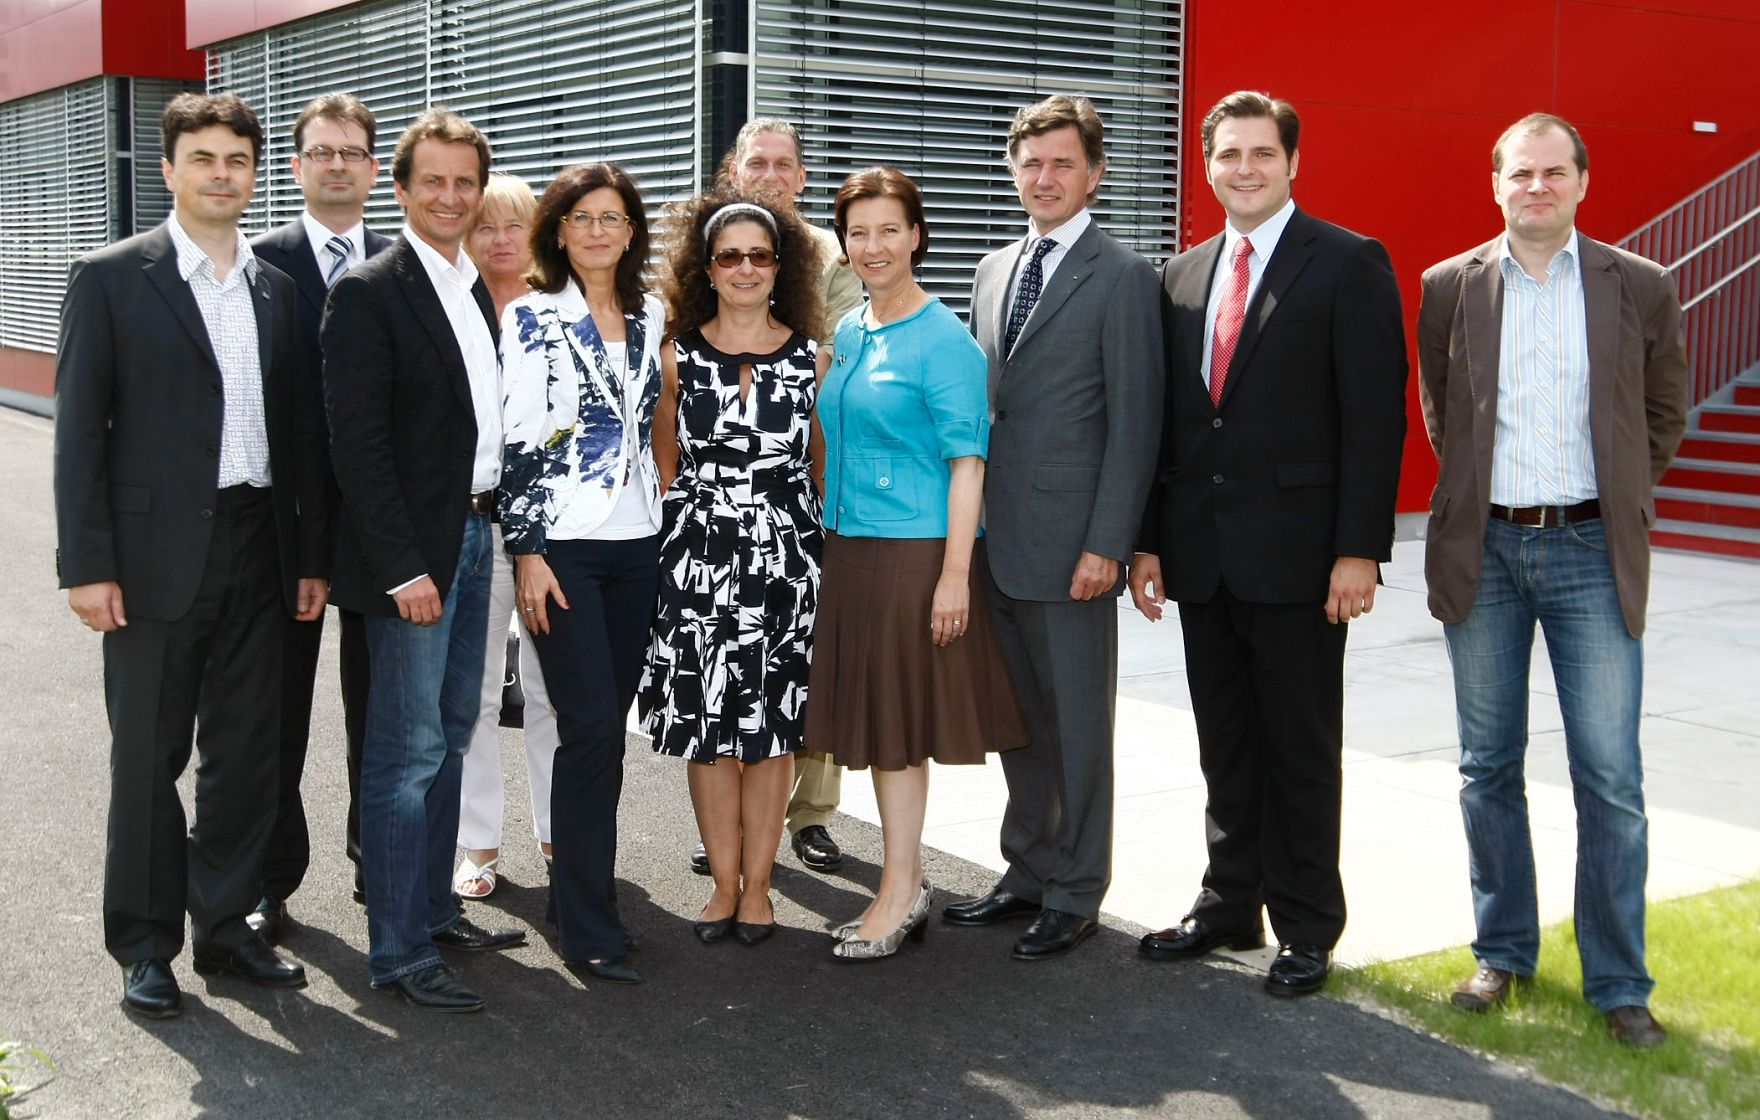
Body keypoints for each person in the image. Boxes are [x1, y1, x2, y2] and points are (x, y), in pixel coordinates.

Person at [1417, 112, 1687, 1048]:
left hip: (1590, 552)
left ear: (1582, 181)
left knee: (1609, 775)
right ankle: (1503, 953)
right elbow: (1444, 412)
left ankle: (1619, 983)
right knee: (1486, 766)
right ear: (1495, 183)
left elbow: (1663, 411)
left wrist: (1619, 494)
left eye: (1553, 172)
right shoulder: (1449, 285)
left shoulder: (1639, 284)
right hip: (1484, 553)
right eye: (1520, 173)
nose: (1536, 187)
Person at [53, 91, 325, 1018]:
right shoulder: (111, 278)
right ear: (169, 169)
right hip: (151, 559)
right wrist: (87, 565)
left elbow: (300, 437)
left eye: (237, 160)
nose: (221, 174)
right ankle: (143, 945)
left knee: (246, 754)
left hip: (260, 545)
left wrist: (309, 555)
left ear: (255, 174)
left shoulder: (275, 290)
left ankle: (226, 927)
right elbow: (79, 436)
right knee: (148, 757)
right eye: (203, 158)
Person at [1130, 91, 1408, 997]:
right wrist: (1149, 542)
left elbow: (1376, 419)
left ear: (1293, 162)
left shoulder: (1349, 262)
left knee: (1299, 747)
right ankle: (1228, 904)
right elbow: (1171, 424)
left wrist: (1358, 550)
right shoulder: (1181, 276)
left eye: (1261, 153)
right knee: (1225, 742)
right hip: (1202, 556)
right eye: (1228, 154)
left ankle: (1307, 924)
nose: (1243, 168)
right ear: (1207, 166)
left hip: (1301, 559)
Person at [943, 94, 1162, 962]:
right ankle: (1028, 870)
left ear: (1094, 173)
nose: (1045, 178)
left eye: (1063, 163)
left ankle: (1077, 891)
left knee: (1077, 728)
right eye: (1031, 163)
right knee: (1019, 721)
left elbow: (1136, 424)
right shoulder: (993, 268)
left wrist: (1108, 543)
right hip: (995, 540)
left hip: (1074, 546)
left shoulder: (1124, 276)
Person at [323, 109, 525, 1015]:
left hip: (477, 536)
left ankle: (434, 911)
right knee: (404, 755)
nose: (450, 196)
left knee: (449, 735)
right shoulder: (370, 291)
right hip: (416, 560)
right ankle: (399, 951)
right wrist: (404, 568)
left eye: (464, 182)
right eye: (433, 181)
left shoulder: (471, 284)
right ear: (400, 189)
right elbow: (357, 446)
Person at [810, 166, 1028, 961]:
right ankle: (903, 883)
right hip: (850, 549)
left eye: (889, 230)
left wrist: (953, 577)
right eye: (858, 232)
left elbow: (968, 464)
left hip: (912, 555)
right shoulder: (851, 330)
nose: (873, 246)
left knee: (897, 731)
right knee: (876, 727)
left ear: (917, 236)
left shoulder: (945, 342)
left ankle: (900, 892)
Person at [638, 193, 826, 947]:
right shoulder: (674, 359)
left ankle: (759, 889)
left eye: (760, 256)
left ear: (780, 268)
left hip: (786, 564)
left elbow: (818, 468)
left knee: (774, 731)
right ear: (707, 269)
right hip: (698, 563)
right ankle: (722, 886)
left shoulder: (815, 360)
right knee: (709, 728)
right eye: (729, 256)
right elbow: (665, 464)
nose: (745, 269)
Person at [679, 117, 864, 878]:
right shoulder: (703, 267)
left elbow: (842, 353)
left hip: (791, 507)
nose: (771, 175)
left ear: (802, 176)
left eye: (785, 164)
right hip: (712, 528)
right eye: (758, 162)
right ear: (735, 170)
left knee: (796, 691)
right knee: (719, 690)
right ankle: (729, 836)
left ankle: (809, 818)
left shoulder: (831, 255)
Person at [500, 163, 664, 986]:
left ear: (632, 232)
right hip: (563, 546)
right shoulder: (531, 315)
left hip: (640, 541)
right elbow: (519, 438)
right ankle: (589, 929)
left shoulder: (650, 313)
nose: (598, 231)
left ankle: (580, 898)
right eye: (582, 217)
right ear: (558, 231)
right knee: (590, 725)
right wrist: (526, 552)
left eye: (613, 217)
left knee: (605, 730)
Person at [248, 92, 393, 939]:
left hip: (379, 527)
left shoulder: (405, 263)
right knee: (278, 713)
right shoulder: (257, 263)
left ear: (374, 169)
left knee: (382, 713)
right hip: (287, 522)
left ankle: (381, 869)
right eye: (321, 152)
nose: (337, 165)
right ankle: (272, 881)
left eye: (352, 152)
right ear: (297, 167)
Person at [453, 172, 561, 900]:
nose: (499, 239)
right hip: (475, 523)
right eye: (484, 226)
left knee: (553, 692)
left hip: (553, 531)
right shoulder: (453, 308)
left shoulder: (560, 312)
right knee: (476, 694)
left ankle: (558, 835)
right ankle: (478, 844)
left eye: (514, 224)